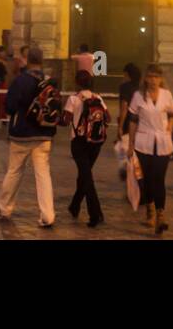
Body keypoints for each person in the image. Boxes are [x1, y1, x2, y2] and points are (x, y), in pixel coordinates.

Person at [0, 46, 58, 227]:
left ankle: (4, 207)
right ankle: (48, 215)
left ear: (27, 60)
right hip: (44, 134)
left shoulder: (21, 81)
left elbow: (9, 107)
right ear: (42, 61)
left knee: (14, 171)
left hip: (21, 133)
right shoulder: (50, 82)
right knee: (43, 175)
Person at [129, 64, 173, 233]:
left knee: (159, 179)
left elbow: (171, 114)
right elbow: (133, 121)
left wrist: (170, 128)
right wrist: (130, 145)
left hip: (163, 142)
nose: (153, 80)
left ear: (161, 79)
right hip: (143, 142)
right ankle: (150, 210)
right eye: (150, 77)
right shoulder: (138, 96)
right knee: (147, 179)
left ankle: (160, 215)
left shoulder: (167, 95)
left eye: (157, 77)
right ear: (145, 78)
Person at [64, 69, 108, 227]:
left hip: (79, 142)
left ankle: (95, 214)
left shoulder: (73, 99)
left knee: (86, 177)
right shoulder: (98, 98)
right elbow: (107, 117)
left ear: (77, 82)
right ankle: (75, 206)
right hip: (96, 142)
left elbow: (65, 120)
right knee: (84, 175)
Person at [115, 62, 142, 181]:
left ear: (127, 74)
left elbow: (124, 108)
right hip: (141, 123)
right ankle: (137, 176)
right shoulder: (141, 87)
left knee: (125, 149)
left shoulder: (124, 87)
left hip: (128, 123)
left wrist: (120, 126)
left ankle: (127, 172)